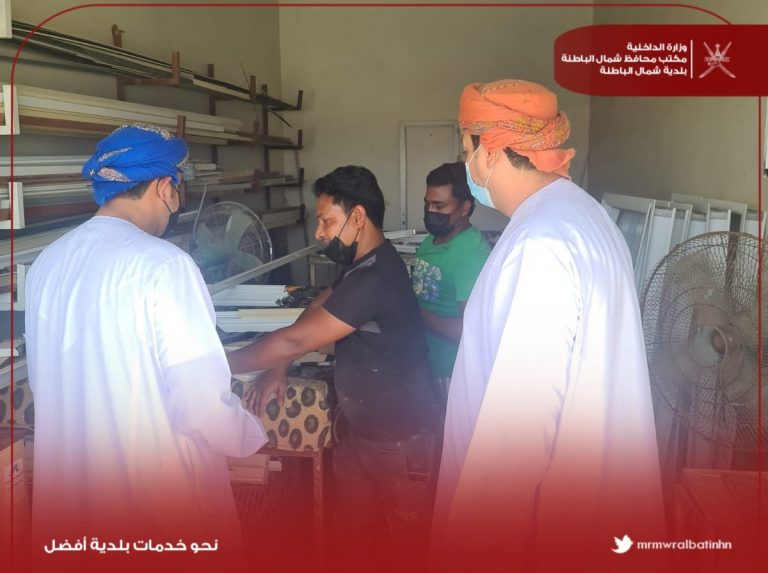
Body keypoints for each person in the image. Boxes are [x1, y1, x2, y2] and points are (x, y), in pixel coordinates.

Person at [431, 81, 665, 571]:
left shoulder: (542, 242)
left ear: (490, 150)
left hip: (543, 526)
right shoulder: (583, 214)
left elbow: (518, 433)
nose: (466, 163)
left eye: (465, 148)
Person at [24, 124, 267, 569]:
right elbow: (200, 400)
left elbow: (45, 382)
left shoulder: (46, 264)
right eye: (178, 186)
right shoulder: (164, 265)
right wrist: (250, 434)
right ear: (163, 186)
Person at [226, 166, 441, 571]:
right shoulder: (360, 266)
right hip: (363, 437)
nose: (319, 233)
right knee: (352, 542)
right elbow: (316, 309)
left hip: (402, 443)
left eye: (326, 221)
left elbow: (294, 340)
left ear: (357, 217)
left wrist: (215, 364)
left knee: (406, 550)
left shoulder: (376, 277)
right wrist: (278, 367)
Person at [412, 162, 490, 401]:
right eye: (427, 203)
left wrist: (414, 312)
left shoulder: (471, 254)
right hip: (424, 364)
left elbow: (470, 331)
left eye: (439, 206)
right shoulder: (432, 240)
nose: (430, 211)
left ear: (464, 207)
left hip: (451, 373)